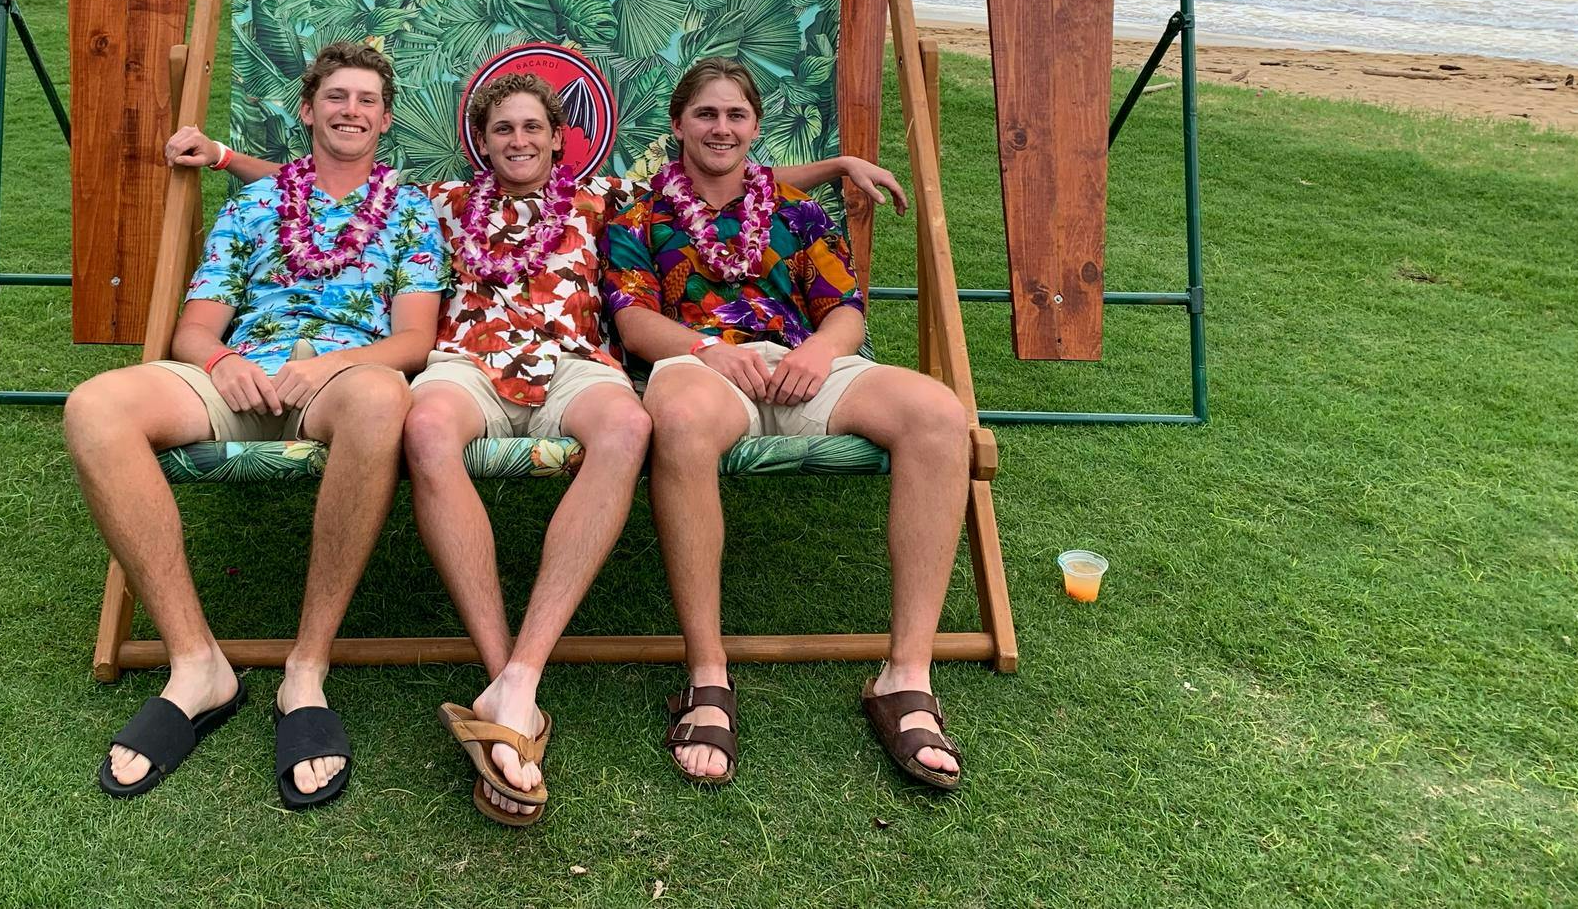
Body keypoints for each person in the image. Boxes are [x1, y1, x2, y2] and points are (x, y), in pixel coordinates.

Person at [169, 72, 905, 825]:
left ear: (558, 140)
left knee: (627, 427)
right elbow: (329, 178)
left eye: (532, 128)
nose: (518, 140)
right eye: (503, 129)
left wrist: (834, 167)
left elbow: (722, 169)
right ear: (482, 144)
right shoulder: (441, 203)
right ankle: (505, 679)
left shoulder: (605, 198)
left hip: (575, 364)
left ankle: (524, 672)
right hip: (467, 363)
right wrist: (224, 158)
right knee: (425, 428)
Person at [64, 41, 444, 808]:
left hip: (342, 379)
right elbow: (196, 328)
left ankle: (306, 667)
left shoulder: (410, 212)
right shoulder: (254, 205)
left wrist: (332, 366)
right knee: (94, 407)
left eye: (367, 100)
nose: (350, 110)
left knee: (381, 399)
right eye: (336, 96)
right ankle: (196, 664)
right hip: (245, 370)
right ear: (307, 110)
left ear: (385, 121)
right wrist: (221, 360)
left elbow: (414, 341)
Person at [603, 57, 973, 795]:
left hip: (801, 362)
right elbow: (634, 319)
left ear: (755, 127)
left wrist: (820, 351)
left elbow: (845, 309)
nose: (721, 128)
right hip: (698, 361)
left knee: (938, 414)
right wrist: (706, 350)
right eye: (706, 114)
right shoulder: (638, 212)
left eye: (736, 115)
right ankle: (707, 675)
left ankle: (906, 677)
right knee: (679, 420)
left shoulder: (798, 212)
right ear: (677, 124)